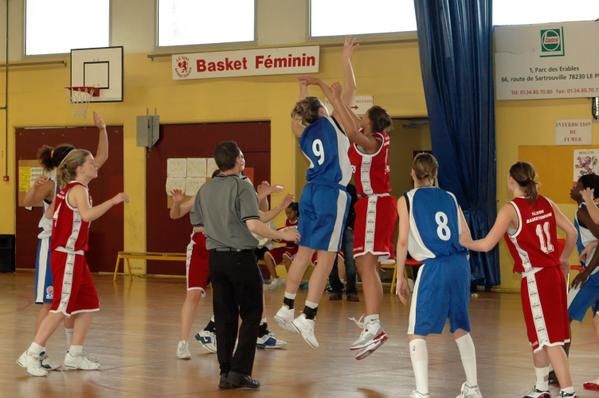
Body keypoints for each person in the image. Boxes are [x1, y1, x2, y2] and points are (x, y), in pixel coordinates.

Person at [301, 39, 398, 358]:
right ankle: (372, 323)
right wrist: (345, 57)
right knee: (364, 263)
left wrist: (329, 92)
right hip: (370, 204)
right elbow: (348, 113)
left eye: (363, 116)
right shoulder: (371, 138)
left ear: (371, 123)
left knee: (367, 266)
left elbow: (348, 124)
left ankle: (375, 325)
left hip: (375, 203)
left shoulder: (371, 141)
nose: (359, 117)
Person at [461, 161, 577, 398]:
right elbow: (572, 233)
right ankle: (541, 387)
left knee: (551, 339)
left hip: (537, 278)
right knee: (540, 337)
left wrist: (464, 242)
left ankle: (568, 392)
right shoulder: (546, 202)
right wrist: (564, 259)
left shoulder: (510, 210)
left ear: (511, 181)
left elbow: (486, 244)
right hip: (553, 275)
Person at [190, 141, 298, 389]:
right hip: (240, 258)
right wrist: (283, 235)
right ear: (238, 160)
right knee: (251, 314)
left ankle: (225, 372)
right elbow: (253, 225)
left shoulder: (205, 189)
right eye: (242, 156)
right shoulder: (242, 185)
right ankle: (239, 371)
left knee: (224, 316)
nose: (243, 159)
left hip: (216, 259)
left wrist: (222, 231)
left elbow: (198, 222)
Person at [17, 148, 128, 377]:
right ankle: (32, 353)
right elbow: (87, 216)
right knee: (59, 307)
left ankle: (75, 354)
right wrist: (114, 200)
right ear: (79, 168)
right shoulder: (77, 189)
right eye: (90, 162)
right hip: (67, 254)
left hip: (76, 254)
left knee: (88, 304)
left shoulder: (73, 187)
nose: (94, 165)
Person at [21, 112, 108, 369]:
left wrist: (102, 129)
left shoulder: (76, 182)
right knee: (52, 302)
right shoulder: (53, 182)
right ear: (69, 163)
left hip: (71, 246)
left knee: (75, 303)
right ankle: (38, 352)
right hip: (53, 244)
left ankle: (73, 351)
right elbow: (27, 203)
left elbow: (101, 158)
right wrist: (35, 190)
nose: (92, 162)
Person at [274, 79, 356, 349]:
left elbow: (296, 120)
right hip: (332, 194)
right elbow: (344, 95)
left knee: (305, 252)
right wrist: (324, 90)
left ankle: (287, 306)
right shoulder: (334, 123)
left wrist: (303, 92)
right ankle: (307, 315)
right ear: (322, 111)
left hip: (309, 192)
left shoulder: (304, 134)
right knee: (327, 258)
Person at [395, 153, 482, 398]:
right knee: (460, 328)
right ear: (435, 174)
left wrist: (400, 276)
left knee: (416, 331)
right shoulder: (450, 197)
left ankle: (421, 392)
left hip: (434, 266)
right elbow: (465, 236)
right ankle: (473, 387)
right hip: (459, 264)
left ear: (412, 173)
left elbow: (402, 241)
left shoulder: (407, 200)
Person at [563, 174, 599, 391]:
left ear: (587, 190)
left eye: (577, 185)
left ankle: (559, 371)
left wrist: (586, 274)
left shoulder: (584, 210)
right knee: (598, 323)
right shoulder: (589, 210)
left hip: (594, 275)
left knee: (561, 317)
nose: (572, 186)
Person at [328, 183, 359, 302]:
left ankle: (351, 290)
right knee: (331, 260)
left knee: (350, 260)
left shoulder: (351, 188)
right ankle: (336, 289)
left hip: (347, 229)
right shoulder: (330, 187)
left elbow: (356, 209)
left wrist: (351, 226)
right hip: (332, 228)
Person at [264, 201, 300, 289]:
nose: (287, 215)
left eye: (289, 213)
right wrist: (276, 236)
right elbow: (283, 235)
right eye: (286, 213)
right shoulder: (287, 221)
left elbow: (297, 238)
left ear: (295, 212)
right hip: (287, 247)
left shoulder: (301, 222)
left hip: (297, 248)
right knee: (267, 255)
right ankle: (276, 279)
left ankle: (293, 282)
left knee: (286, 256)